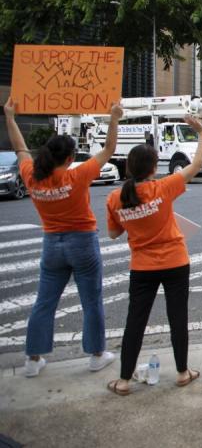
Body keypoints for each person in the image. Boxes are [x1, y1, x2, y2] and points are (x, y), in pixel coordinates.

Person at [3, 98, 122, 377]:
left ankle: (33, 360)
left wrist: (9, 116)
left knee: (44, 301)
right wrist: (114, 118)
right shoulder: (77, 176)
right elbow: (109, 149)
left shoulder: (33, 177)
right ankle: (95, 354)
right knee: (91, 300)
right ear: (70, 158)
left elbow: (20, 148)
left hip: (52, 244)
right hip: (82, 243)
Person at [104, 116, 202, 396]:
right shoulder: (161, 189)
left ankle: (124, 380)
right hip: (175, 261)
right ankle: (183, 372)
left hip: (142, 267)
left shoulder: (115, 197)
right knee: (178, 318)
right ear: (153, 167)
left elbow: (113, 234)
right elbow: (196, 166)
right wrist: (200, 132)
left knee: (135, 321)